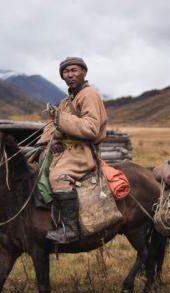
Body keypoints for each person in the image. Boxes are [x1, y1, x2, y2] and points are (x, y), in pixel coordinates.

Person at [37, 56, 108, 244]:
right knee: (33, 163)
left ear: (84, 72)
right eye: (66, 72)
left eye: (74, 70)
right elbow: (52, 126)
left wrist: (61, 120)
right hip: (66, 150)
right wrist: (49, 141)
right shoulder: (66, 101)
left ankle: (70, 229)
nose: (70, 75)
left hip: (82, 151)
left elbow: (91, 128)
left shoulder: (89, 95)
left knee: (58, 177)